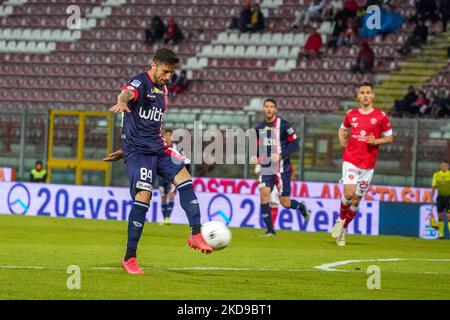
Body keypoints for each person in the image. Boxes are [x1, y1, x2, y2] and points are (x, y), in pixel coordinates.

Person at [108, 48, 212, 275]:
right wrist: (122, 102)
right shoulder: (139, 82)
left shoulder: (163, 88)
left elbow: (147, 126)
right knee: (144, 195)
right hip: (139, 153)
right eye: (165, 71)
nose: (168, 77)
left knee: (184, 177)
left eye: (171, 73)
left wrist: (122, 149)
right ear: (153, 65)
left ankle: (196, 234)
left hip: (158, 148)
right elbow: (126, 94)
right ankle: (130, 257)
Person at [331, 82, 394, 246]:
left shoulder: (381, 116)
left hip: (368, 164)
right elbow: (342, 129)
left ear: (373, 95)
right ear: (358, 96)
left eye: (368, 92)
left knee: (356, 201)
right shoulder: (351, 114)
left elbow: (389, 137)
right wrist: (341, 138)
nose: (365, 95)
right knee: (349, 193)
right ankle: (340, 219)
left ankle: (342, 229)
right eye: (362, 92)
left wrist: (376, 140)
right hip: (351, 158)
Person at [252, 98, 310, 237]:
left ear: (276, 109)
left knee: (285, 202)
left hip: (282, 168)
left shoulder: (284, 125)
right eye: (266, 106)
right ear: (263, 109)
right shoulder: (259, 127)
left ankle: (301, 206)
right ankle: (270, 230)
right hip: (267, 167)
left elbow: (295, 144)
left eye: (272, 106)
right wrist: (255, 157)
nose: (269, 109)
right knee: (264, 194)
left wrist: (281, 155)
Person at [157, 129, 179, 225]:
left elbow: (177, 160)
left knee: (171, 195)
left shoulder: (175, 148)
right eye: (166, 135)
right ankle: (164, 218)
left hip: (171, 176)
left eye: (169, 135)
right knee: (163, 197)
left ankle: (167, 218)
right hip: (162, 176)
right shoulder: (161, 146)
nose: (167, 137)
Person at [431, 160, 450, 239]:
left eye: (445, 165)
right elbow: (434, 186)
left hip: (449, 197)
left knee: (449, 216)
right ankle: (441, 235)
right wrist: (431, 198)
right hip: (440, 197)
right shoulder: (436, 175)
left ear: (448, 166)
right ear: (440, 166)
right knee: (440, 215)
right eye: (442, 165)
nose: (443, 167)